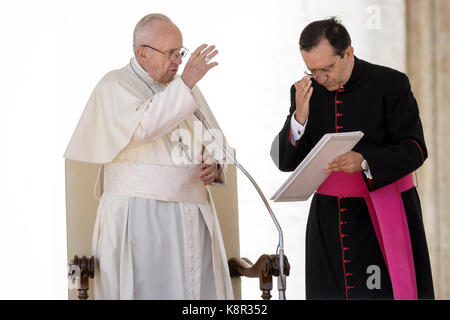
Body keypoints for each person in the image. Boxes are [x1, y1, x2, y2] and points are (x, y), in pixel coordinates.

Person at [64, 13, 234, 300]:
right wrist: (186, 83)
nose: (178, 61)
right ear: (143, 53)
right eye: (171, 53)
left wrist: (214, 164)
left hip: (193, 215)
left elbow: (214, 137)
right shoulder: (114, 85)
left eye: (180, 52)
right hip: (139, 217)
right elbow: (144, 127)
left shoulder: (184, 88)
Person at [270, 17, 434, 300]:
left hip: (381, 215)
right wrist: (300, 116)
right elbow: (286, 162)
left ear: (348, 52)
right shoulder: (306, 92)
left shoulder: (391, 84)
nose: (321, 79)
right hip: (328, 221)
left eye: (327, 68)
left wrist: (365, 161)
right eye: (312, 70)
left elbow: (416, 149)